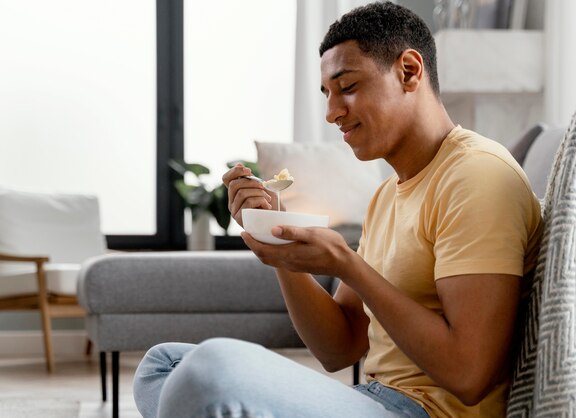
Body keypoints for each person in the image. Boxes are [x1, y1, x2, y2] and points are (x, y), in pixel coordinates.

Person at [133, 2, 543, 417]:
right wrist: (279, 244)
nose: (331, 113)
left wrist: (347, 264)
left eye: (346, 87)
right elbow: (339, 347)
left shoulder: (477, 176)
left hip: (425, 413)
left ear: (409, 71)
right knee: (163, 365)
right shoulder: (388, 196)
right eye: (327, 94)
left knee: (209, 370)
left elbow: (469, 374)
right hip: (374, 398)